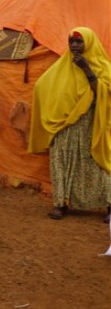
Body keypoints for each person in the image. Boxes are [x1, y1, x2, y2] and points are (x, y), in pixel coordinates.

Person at [28, 27, 111, 223]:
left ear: (89, 43)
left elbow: (106, 94)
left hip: (92, 125)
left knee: (98, 164)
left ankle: (108, 205)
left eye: (79, 41)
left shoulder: (103, 67)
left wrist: (87, 70)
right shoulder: (61, 66)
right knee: (61, 163)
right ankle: (61, 204)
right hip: (64, 128)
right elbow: (42, 87)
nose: (74, 45)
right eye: (71, 41)